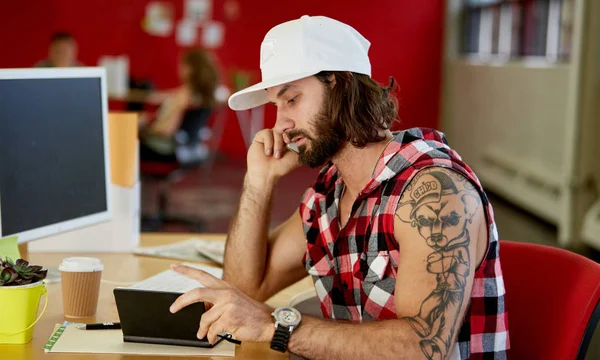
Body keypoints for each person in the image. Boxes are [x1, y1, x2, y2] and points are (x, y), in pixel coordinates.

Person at [168, 15, 510, 359]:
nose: (280, 124)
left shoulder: (434, 190)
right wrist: (259, 182)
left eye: (291, 99)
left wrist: (278, 328)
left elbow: (423, 349)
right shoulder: (328, 194)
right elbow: (243, 289)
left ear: (340, 83)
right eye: (275, 106)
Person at [139, 48, 219, 163]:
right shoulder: (203, 95)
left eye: (182, 65)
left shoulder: (183, 96)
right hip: (188, 148)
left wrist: (145, 126)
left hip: (164, 148)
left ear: (189, 69)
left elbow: (167, 130)